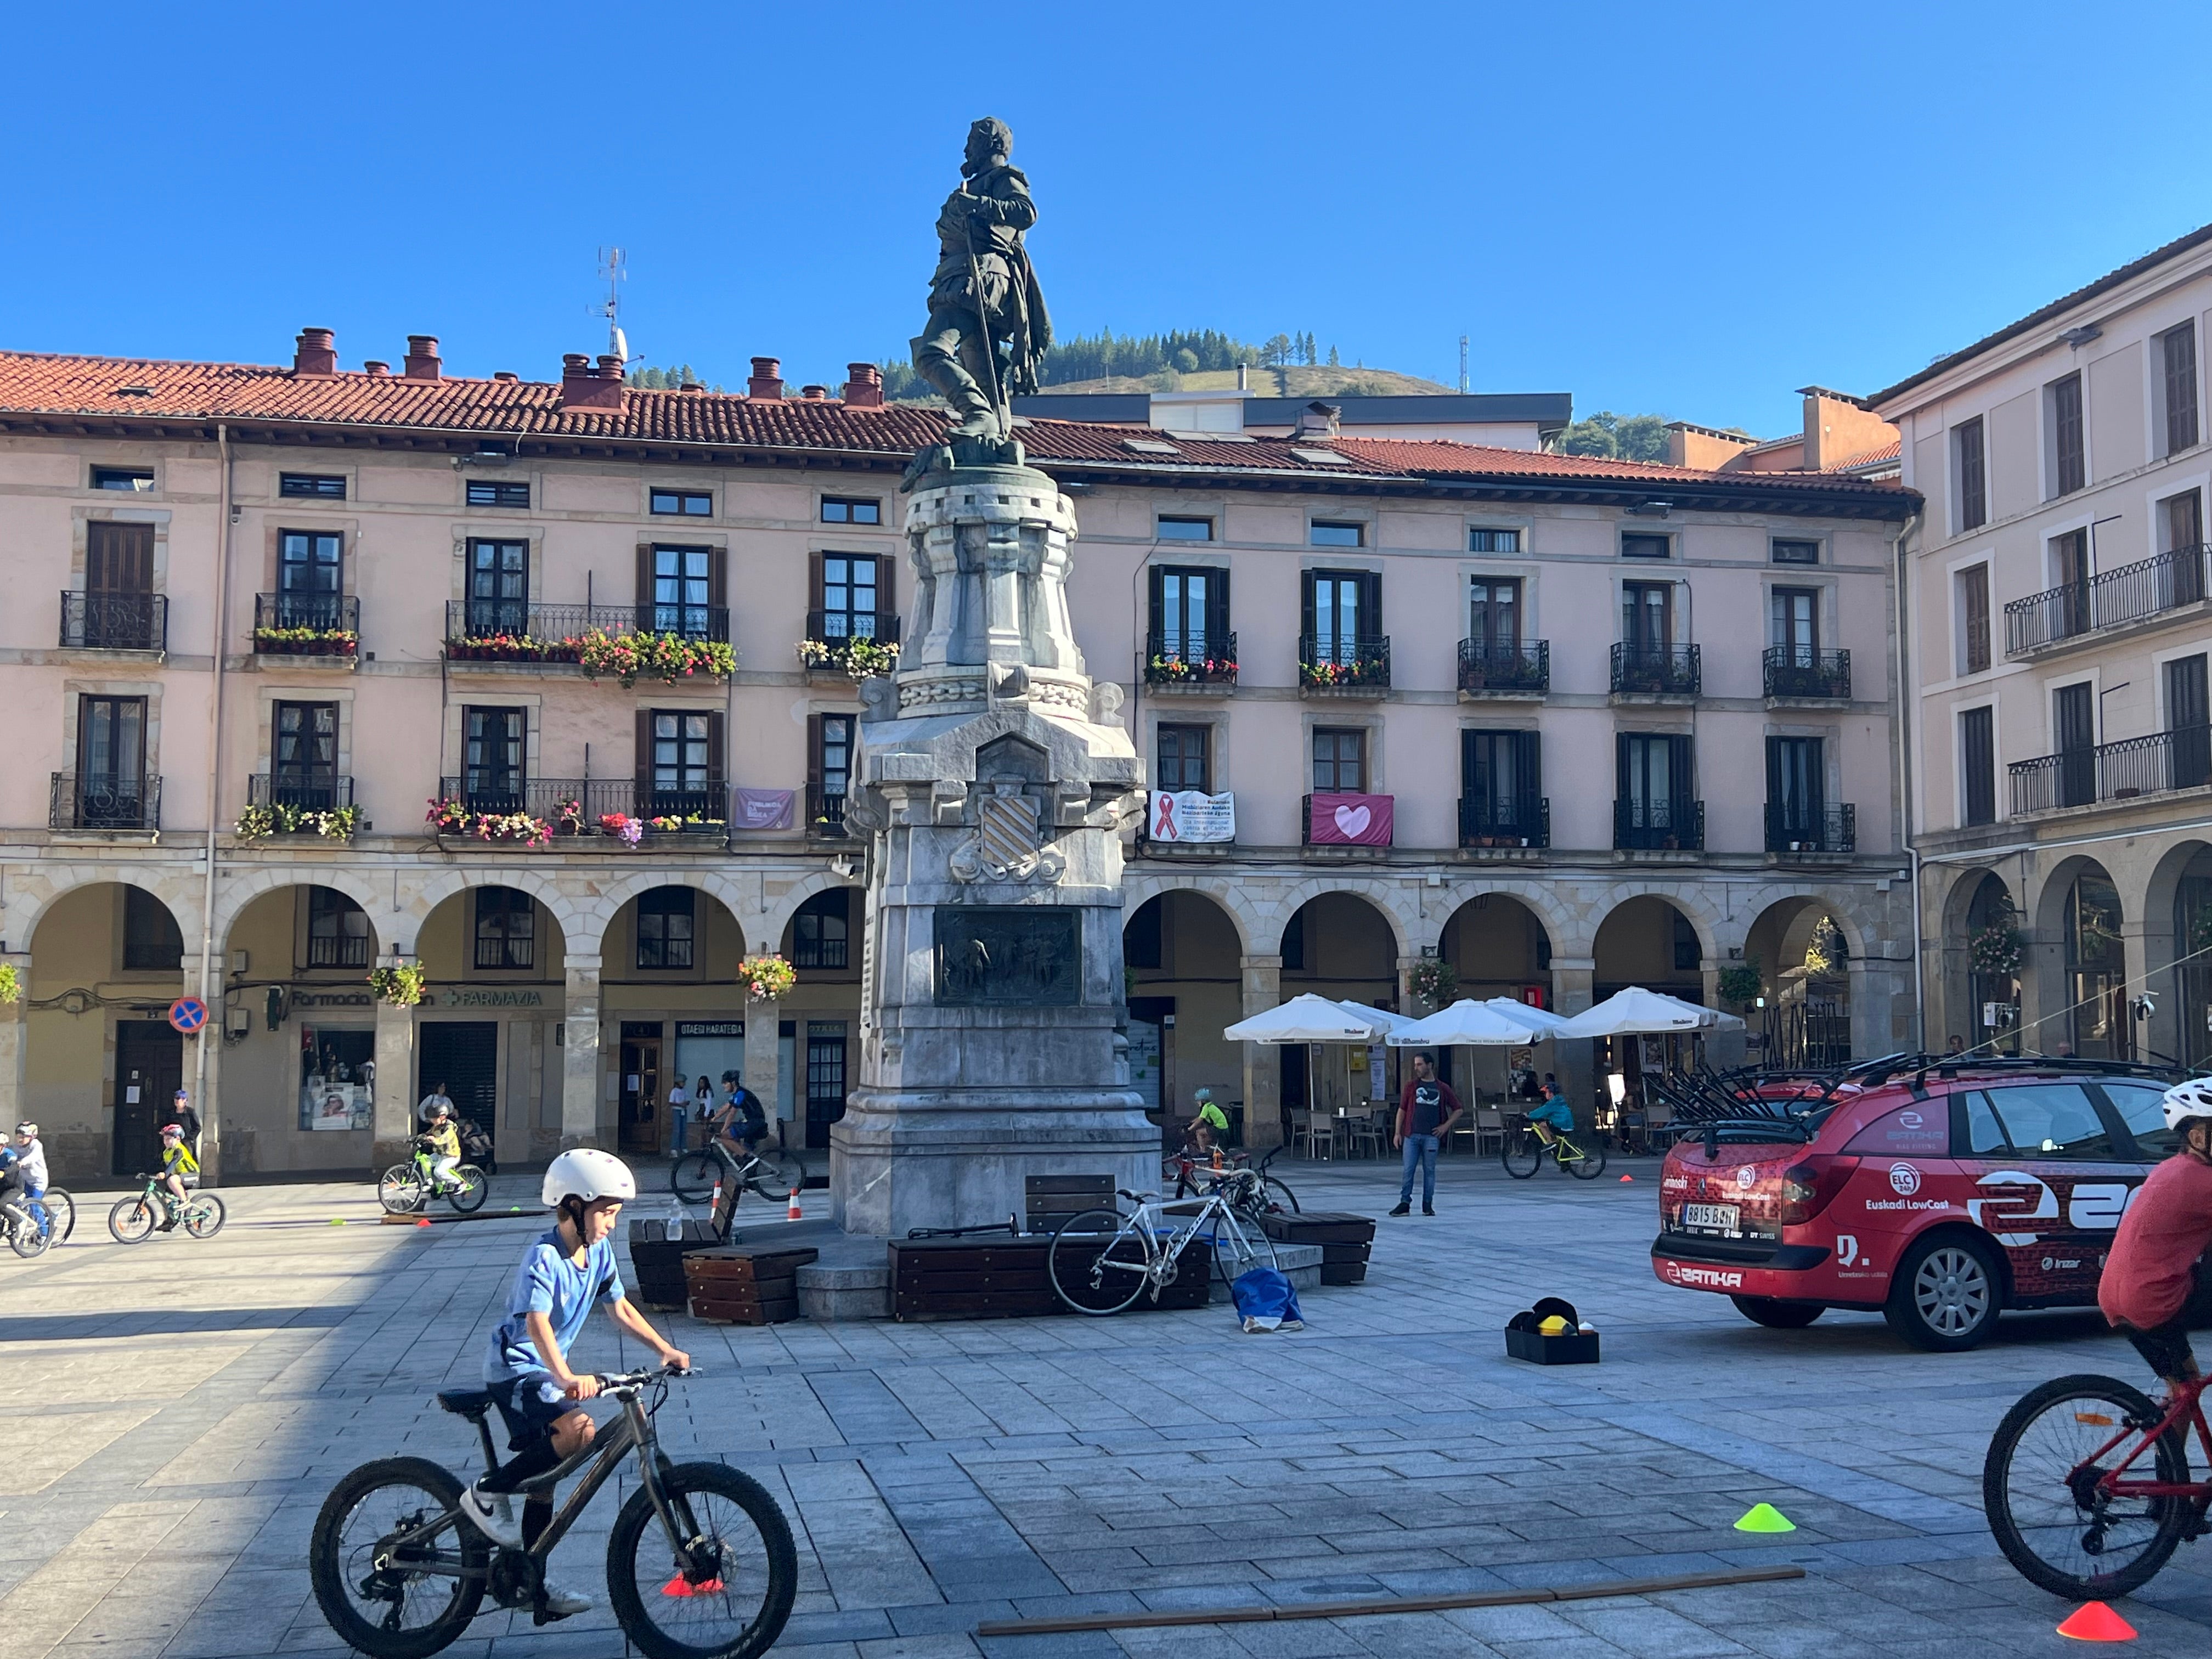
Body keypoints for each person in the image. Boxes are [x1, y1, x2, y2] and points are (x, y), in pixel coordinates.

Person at [457, 1150, 690, 1620]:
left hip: (544, 1370)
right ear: (573, 1207)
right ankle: (487, 1490)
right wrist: (564, 1376)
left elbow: (619, 1307)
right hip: (516, 1369)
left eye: (616, 1214)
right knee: (580, 1430)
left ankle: (533, 1585)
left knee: (547, 1481)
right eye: (606, 1213)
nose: (611, 1224)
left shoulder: (598, 1253)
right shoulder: (544, 1256)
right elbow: (537, 1322)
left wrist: (663, 1348)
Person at [2099, 1077, 2212, 1394]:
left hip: (2120, 1297)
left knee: (2185, 1390)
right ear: (2198, 1137)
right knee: (2186, 1388)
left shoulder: (2171, 1168)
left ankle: (2167, 1430)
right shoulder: (2202, 1181)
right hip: (2155, 1300)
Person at [1390, 1053, 1463, 1218]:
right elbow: (1402, 1110)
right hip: (1411, 1135)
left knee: (1429, 1171)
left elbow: (1458, 1109)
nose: (1416, 1068)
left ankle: (1428, 1204)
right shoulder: (1411, 1086)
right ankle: (1405, 1203)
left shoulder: (1442, 1087)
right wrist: (1397, 1133)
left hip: (1431, 1137)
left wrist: (1445, 1127)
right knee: (1408, 1170)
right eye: (1415, 1064)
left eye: (1420, 1064)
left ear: (1430, 1065)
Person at [154, 1122, 198, 1231]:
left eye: (169, 1139)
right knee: (166, 1198)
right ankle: (169, 1221)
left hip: (191, 1175)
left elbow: (174, 1163)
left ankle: (185, 1202)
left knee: (172, 1180)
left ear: (178, 1139)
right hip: (179, 1177)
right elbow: (165, 1165)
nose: (166, 1141)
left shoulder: (179, 1150)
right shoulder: (166, 1152)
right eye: (165, 1139)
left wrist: (165, 1174)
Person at [1526, 1080, 1579, 1161]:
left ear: (1551, 1094)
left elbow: (1542, 1111)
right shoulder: (1560, 1101)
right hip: (1568, 1125)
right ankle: (1558, 1148)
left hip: (1561, 1125)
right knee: (1550, 1126)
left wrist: (1529, 1115)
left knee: (1542, 1125)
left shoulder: (1552, 1103)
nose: (1545, 1095)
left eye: (1546, 1093)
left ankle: (1551, 1143)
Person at [419, 1099, 463, 1196]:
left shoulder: (450, 1128)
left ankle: (460, 1183)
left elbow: (444, 1139)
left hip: (451, 1155)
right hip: (440, 1154)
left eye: (434, 1119)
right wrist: (418, 1138)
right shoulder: (436, 1126)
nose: (432, 1121)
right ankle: (429, 1182)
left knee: (438, 1172)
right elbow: (428, 1134)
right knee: (425, 1161)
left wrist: (434, 1140)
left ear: (442, 1117)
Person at [1187, 1088, 1229, 1161]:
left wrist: (1189, 1129)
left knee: (1199, 1132)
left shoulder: (1206, 1107)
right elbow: (1200, 1117)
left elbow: (1200, 1120)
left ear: (1203, 1101)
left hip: (1219, 1128)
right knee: (1205, 1136)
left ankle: (1203, 1153)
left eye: (1198, 1101)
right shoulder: (1210, 1106)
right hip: (1223, 1128)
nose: (1197, 1103)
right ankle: (1208, 1150)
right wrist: (1190, 1123)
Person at [664, 1076, 691, 1156]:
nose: (684, 1084)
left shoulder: (685, 1091)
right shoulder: (674, 1091)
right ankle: (674, 1148)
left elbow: (688, 1101)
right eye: (682, 1082)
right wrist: (680, 1104)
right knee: (677, 1129)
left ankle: (683, 1147)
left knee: (683, 1129)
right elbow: (671, 1102)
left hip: (683, 1111)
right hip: (676, 1111)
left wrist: (685, 1103)